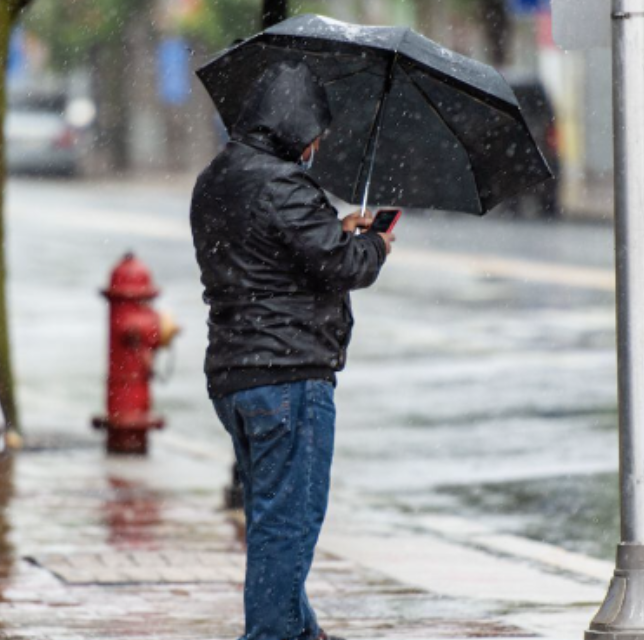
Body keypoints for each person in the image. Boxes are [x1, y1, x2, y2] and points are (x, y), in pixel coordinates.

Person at [190, 62, 394, 640]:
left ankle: (304, 633)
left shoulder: (217, 177)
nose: (318, 145)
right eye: (315, 133)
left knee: (272, 521)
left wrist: (337, 226)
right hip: (289, 378)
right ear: (296, 126)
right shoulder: (282, 183)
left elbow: (274, 253)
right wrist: (374, 243)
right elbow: (341, 264)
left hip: (236, 375)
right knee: (289, 527)